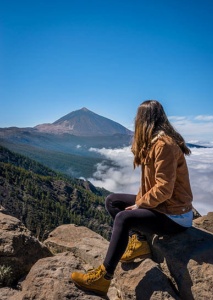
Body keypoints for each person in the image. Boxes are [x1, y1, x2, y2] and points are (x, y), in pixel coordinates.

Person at [71, 100, 193, 296]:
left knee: (124, 217)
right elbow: (150, 186)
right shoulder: (152, 143)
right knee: (112, 201)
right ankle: (140, 242)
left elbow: (164, 189)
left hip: (175, 215)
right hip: (163, 207)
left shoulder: (164, 145)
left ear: (145, 120)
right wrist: (141, 201)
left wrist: (140, 204)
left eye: (138, 117)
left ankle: (104, 277)